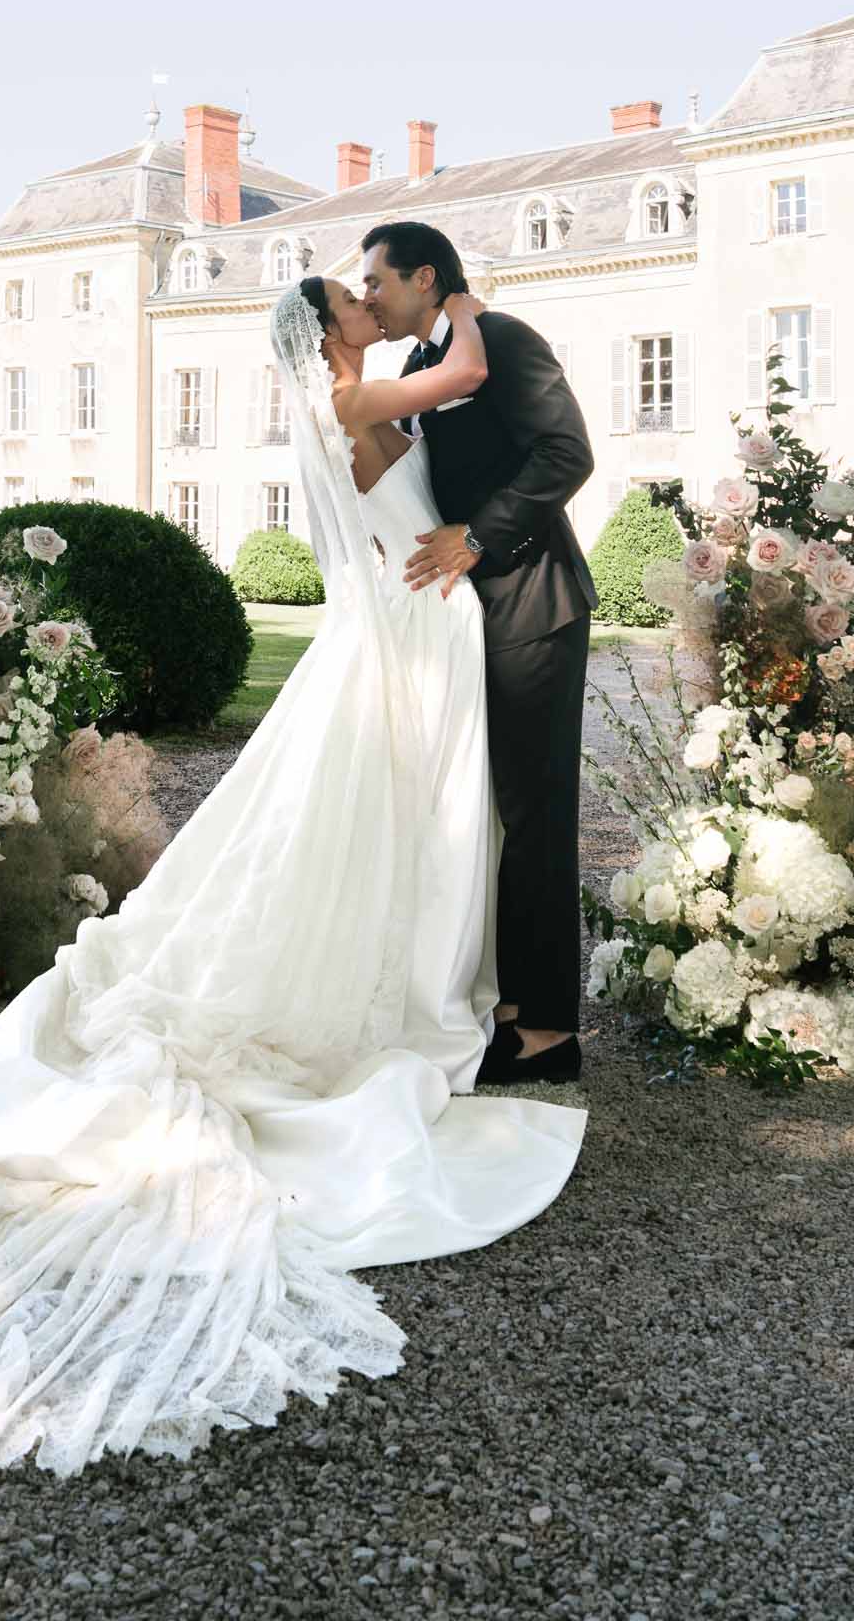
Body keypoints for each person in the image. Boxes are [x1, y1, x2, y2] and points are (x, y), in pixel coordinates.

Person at [0, 272, 585, 1478]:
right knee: (389, 834)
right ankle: (413, 998)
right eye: (351, 300)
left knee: (371, 834)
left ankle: (428, 982)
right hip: (406, 640)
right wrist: (460, 302)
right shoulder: (355, 394)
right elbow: (471, 370)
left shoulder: (346, 392)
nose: (367, 307)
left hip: (401, 633)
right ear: (326, 333)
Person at [360, 221, 597, 1084]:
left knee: (534, 817)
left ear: (425, 279)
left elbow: (566, 452)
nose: (369, 297)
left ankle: (547, 1032)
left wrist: (478, 540)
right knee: (475, 815)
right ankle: (496, 1004)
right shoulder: (419, 371)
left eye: (377, 281)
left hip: (532, 607)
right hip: (457, 628)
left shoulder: (500, 337)